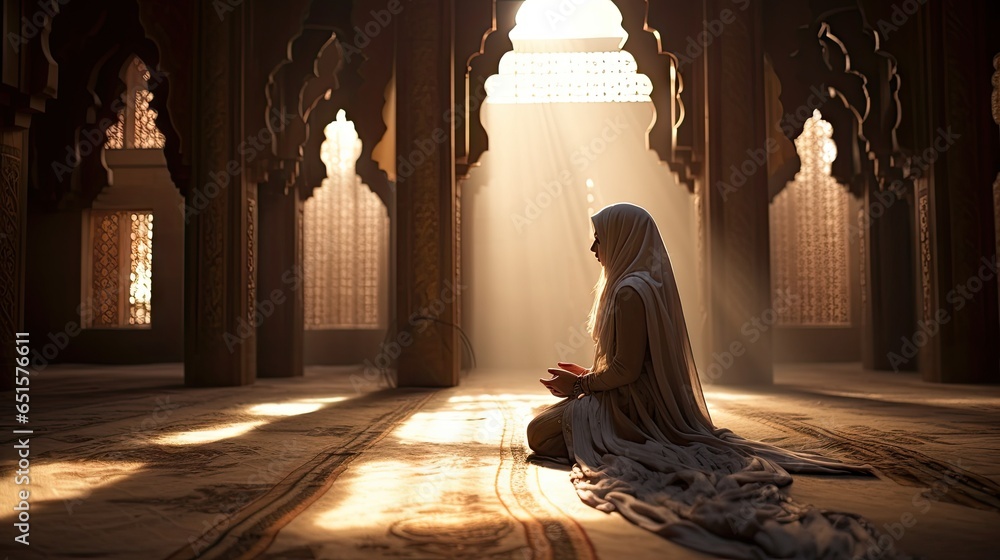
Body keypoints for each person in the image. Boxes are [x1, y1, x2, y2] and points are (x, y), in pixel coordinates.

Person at [526, 203, 910, 560]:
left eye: (600, 237)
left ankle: (619, 436)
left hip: (634, 407)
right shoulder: (637, 283)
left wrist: (580, 386)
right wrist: (586, 376)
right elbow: (629, 362)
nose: (593, 247)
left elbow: (625, 373)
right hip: (631, 395)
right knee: (550, 425)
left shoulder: (630, 292)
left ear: (623, 238)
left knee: (537, 433)